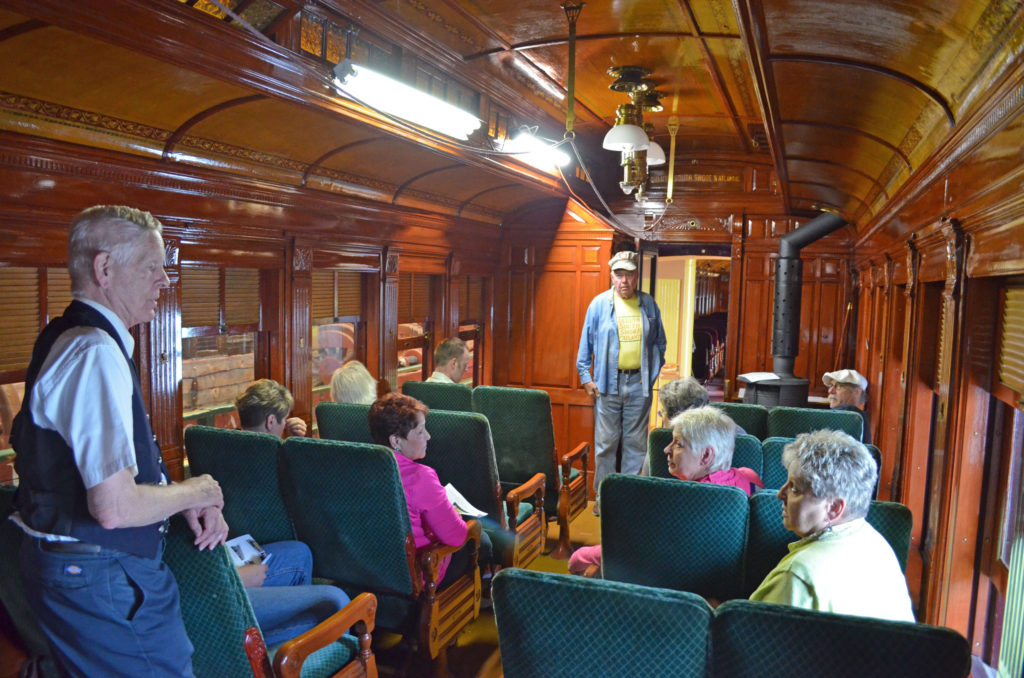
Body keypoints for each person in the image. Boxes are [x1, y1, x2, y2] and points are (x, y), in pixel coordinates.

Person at [10, 205, 227, 676]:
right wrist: (201, 489)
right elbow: (114, 507)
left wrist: (171, 500)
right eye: (152, 266)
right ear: (105, 269)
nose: (165, 280)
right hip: (102, 575)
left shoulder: (67, 337)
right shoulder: (93, 351)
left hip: (78, 570)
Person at [569, 406, 762, 575]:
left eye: (678, 444)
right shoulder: (750, 477)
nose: (666, 450)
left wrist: (581, 556)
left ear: (705, 455)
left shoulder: (682, 502)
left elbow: (636, 552)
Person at [749, 430, 913, 622]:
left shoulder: (797, 575)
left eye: (794, 488)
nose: (780, 494)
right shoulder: (876, 543)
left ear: (834, 508)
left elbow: (750, 644)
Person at [235, 379, 351, 645]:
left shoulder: (217, 447)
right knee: (305, 553)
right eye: (285, 418)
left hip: (239, 544)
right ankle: (300, 641)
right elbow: (316, 491)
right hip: (258, 550)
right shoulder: (282, 460)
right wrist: (300, 443)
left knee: (300, 551)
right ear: (271, 421)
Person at [368, 392, 490, 588]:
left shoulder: (360, 466)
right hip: (417, 577)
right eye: (420, 431)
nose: (428, 436)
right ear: (396, 441)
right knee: (480, 538)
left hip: (371, 571)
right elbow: (456, 536)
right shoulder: (421, 477)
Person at [577, 250, 666, 513]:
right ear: (611, 275)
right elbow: (585, 347)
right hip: (606, 385)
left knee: (636, 445)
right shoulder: (598, 304)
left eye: (629, 274)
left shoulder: (648, 304)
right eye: (619, 274)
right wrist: (586, 378)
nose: (624, 280)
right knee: (606, 444)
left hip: (639, 385)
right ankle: (605, 498)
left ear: (637, 275)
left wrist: (650, 376)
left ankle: (628, 497)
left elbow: (660, 343)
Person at [235, 378, 307, 438]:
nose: (285, 426)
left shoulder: (227, 445)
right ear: (270, 421)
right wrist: (297, 443)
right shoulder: (279, 454)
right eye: (285, 419)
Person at [822, 369, 871, 444]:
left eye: (838, 386)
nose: (830, 391)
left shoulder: (849, 411)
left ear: (857, 391)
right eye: (831, 386)